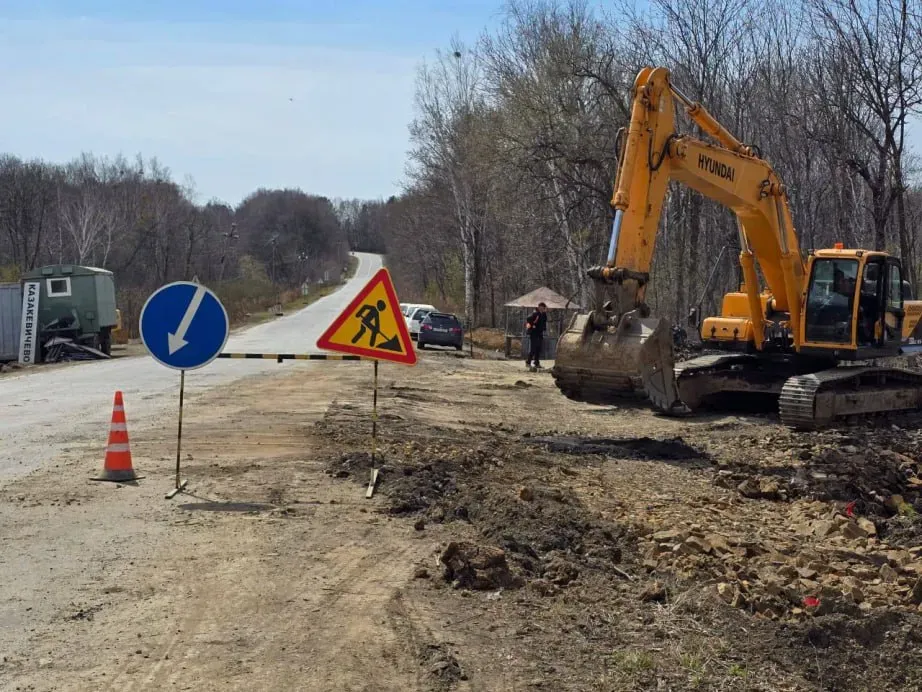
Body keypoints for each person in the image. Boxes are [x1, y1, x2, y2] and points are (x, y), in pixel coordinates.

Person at [525, 302, 548, 370]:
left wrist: (544, 313)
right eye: (540, 307)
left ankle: (536, 363)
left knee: (538, 348)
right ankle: (528, 362)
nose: (541, 308)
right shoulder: (535, 313)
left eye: (543, 307)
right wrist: (533, 326)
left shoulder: (543, 314)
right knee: (533, 348)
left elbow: (544, 322)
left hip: (540, 333)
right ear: (538, 307)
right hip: (534, 333)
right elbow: (528, 319)